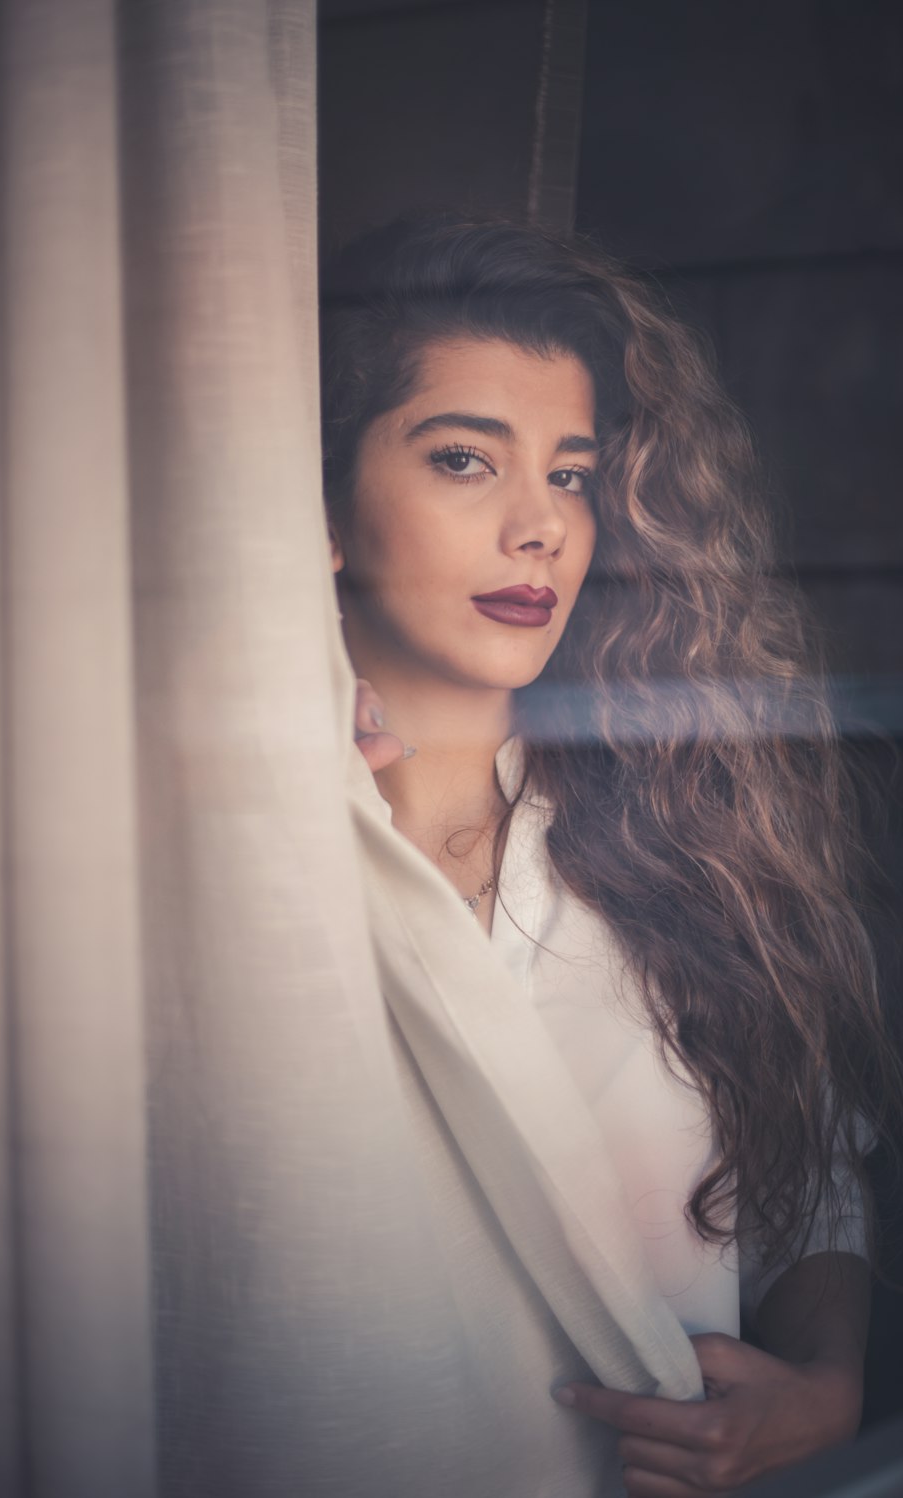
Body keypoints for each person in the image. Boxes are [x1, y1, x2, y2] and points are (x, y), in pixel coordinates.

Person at [320, 216, 897, 1497]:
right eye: (464, 459)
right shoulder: (247, 853)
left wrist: (822, 1386)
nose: (540, 529)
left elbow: (809, 1181)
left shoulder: (696, 842)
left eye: (571, 474)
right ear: (323, 513)